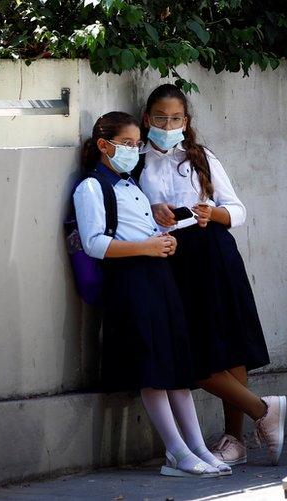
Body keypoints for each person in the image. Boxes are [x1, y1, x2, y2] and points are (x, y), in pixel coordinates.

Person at [136, 84, 287, 466]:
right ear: (146, 119)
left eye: (175, 118)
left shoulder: (200, 157)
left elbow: (236, 210)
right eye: (159, 118)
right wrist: (153, 211)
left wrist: (210, 213)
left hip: (212, 252)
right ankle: (263, 410)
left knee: (228, 341)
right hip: (168, 260)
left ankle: (235, 439)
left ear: (186, 122)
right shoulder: (134, 160)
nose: (167, 125)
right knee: (191, 354)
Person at [73, 111, 230, 477]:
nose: (133, 150)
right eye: (126, 144)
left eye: (135, 144)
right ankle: (176, 451)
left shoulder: (131, 184)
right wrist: (146, 248)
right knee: (152, 367)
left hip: (158, 279)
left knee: (175, 364)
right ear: (103, 145)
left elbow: (140, 227)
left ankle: (198, 447)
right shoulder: (92, 188)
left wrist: (163, 238)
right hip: (130, 283)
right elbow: (95, 243)